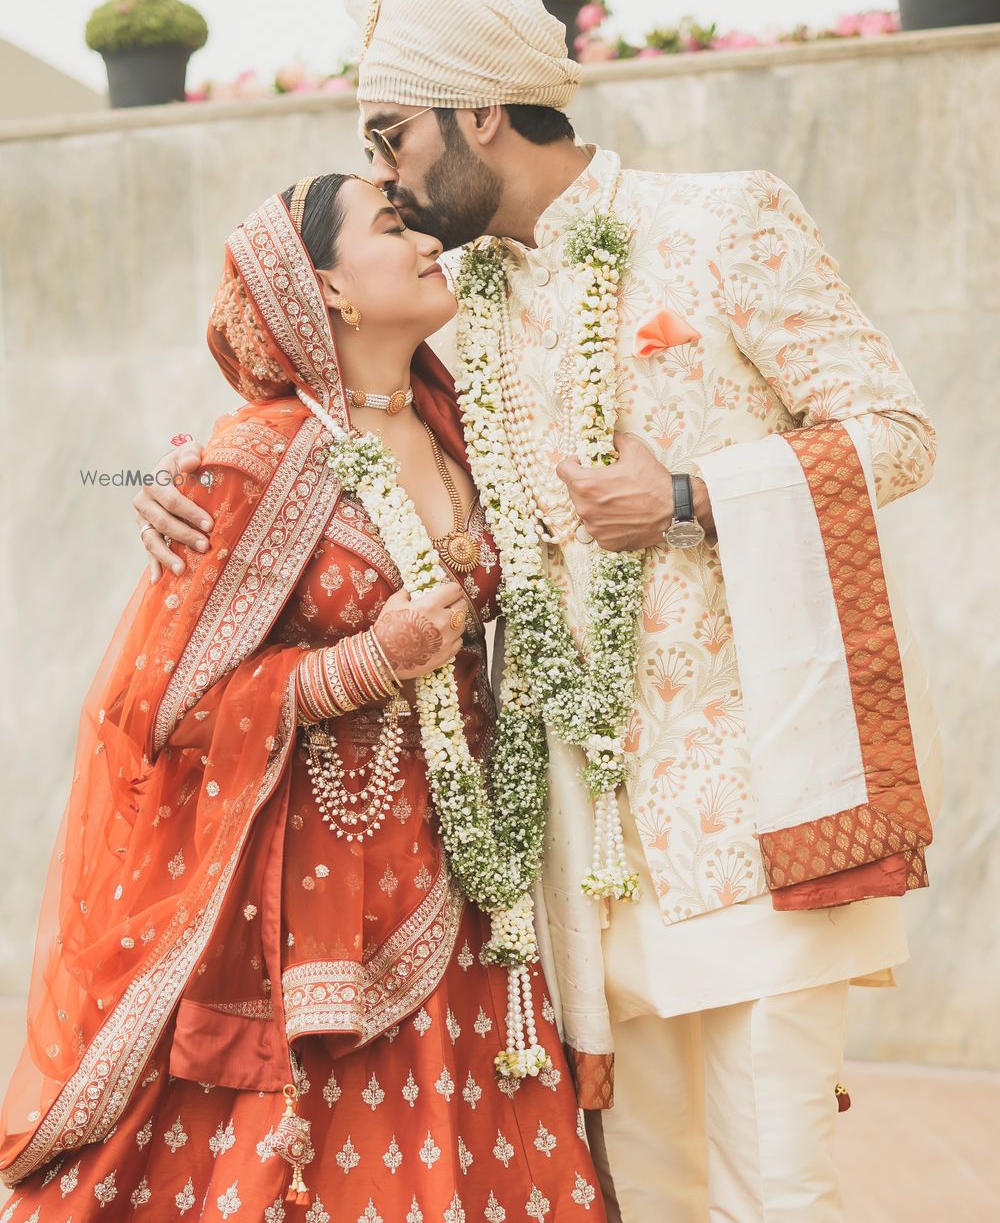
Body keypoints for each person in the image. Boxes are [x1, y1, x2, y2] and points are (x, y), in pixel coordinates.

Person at [134, 0, 942, 1223]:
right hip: (579, 840)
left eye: (393, 139)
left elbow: (896, 431)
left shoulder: (723, 223)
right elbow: (317, 404)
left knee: (776, 1185)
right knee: (656, 1191)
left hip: (750, 813)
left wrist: (686, 495)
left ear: (480, 114)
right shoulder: (462, 314)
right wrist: (153, 477)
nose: (389, 181)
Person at [0, 172, 604, 1222]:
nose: (425, 238)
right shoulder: (255, 455)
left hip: (468, 881)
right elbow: (161, 704)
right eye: (391, 224)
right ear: (328, 287)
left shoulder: (467, 426)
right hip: (306, 902)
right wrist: (364, 664)